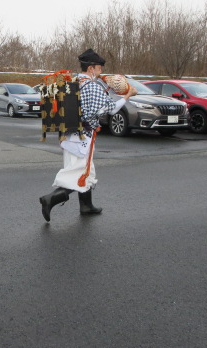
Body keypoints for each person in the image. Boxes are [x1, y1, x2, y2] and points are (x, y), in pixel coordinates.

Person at [39, 49, 138, 221]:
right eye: (99, 68)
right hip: (82, 136)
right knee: (79, 172)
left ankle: (86, 205)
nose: (100, 71)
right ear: (91, 68)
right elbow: (110, 109)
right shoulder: (91, 86)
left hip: (69, 134)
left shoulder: (74, 81)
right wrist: (128, 95)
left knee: (85, 169)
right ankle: (50, 199)